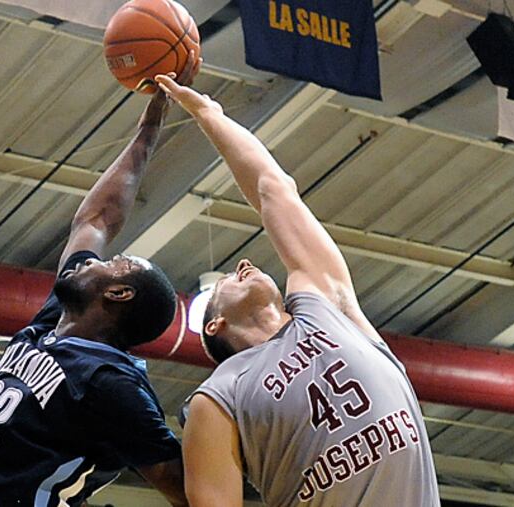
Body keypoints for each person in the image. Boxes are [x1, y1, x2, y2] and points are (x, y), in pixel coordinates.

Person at [155, 74, 440, 507]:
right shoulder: (217, 398)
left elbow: (274, 189)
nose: (245, 264)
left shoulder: (324, 302)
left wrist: (209, 114)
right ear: (214, 323)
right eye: (232, 277)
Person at [0, 56, 200, 507]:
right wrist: (150, 125)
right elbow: (96, 218)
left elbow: (189, 490)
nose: (94, 259)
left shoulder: (112, 383)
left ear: (118, 294)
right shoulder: (53, 323)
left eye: (113, 263)